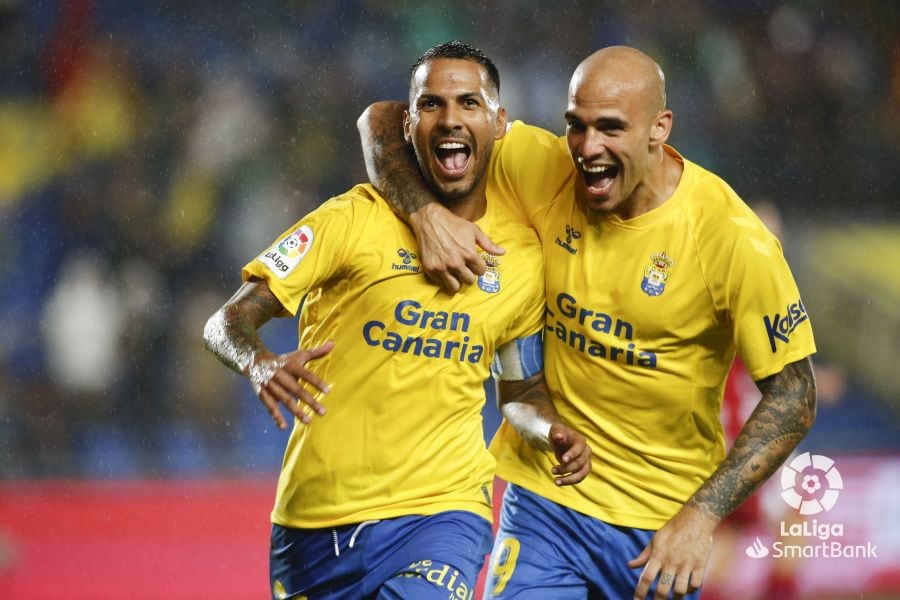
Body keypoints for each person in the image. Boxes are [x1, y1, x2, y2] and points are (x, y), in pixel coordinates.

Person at [358, 45, 817, 599]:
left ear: (660, 128)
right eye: (576, 125)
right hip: (545, 505)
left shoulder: (731, 239)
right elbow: (382, 120)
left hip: (659, 527)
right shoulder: (542, 165)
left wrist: (701, 516)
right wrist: (424, 214)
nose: (588, 148)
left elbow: (795, 394)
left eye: (611, 128)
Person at [203, 42, 591, 600]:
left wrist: (549, 429)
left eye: (469, 103)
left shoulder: (522, 260)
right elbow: (226, 321)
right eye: (431, 104)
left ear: (499, 122)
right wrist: (258, 362)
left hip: (443, 513)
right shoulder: (351, 219)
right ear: (408, 126)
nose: (450, 118)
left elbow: (521, 388)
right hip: (313, 521)